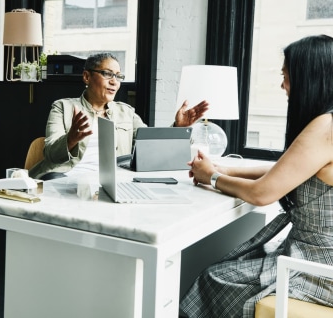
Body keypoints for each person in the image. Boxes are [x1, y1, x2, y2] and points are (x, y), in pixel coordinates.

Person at [179, 34, 333, 317]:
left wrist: (211, 178)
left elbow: (262, 194)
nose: (282, 85)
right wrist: (220, 169)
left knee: (213, 278)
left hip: (320, 267)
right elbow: (287, 171)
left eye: (286, 76)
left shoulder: (326, 127)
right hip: (317, 258)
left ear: (310, 77)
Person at [29, 52, 209, 180]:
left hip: (111, 182)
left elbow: (150, 144)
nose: (114, 82)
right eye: (107, 74)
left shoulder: (126, 112)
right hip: (65, 177)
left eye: (118, 76)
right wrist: (71, 139)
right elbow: (51, 154)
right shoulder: (63, 107)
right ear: (86, 77)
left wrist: (179, 128)